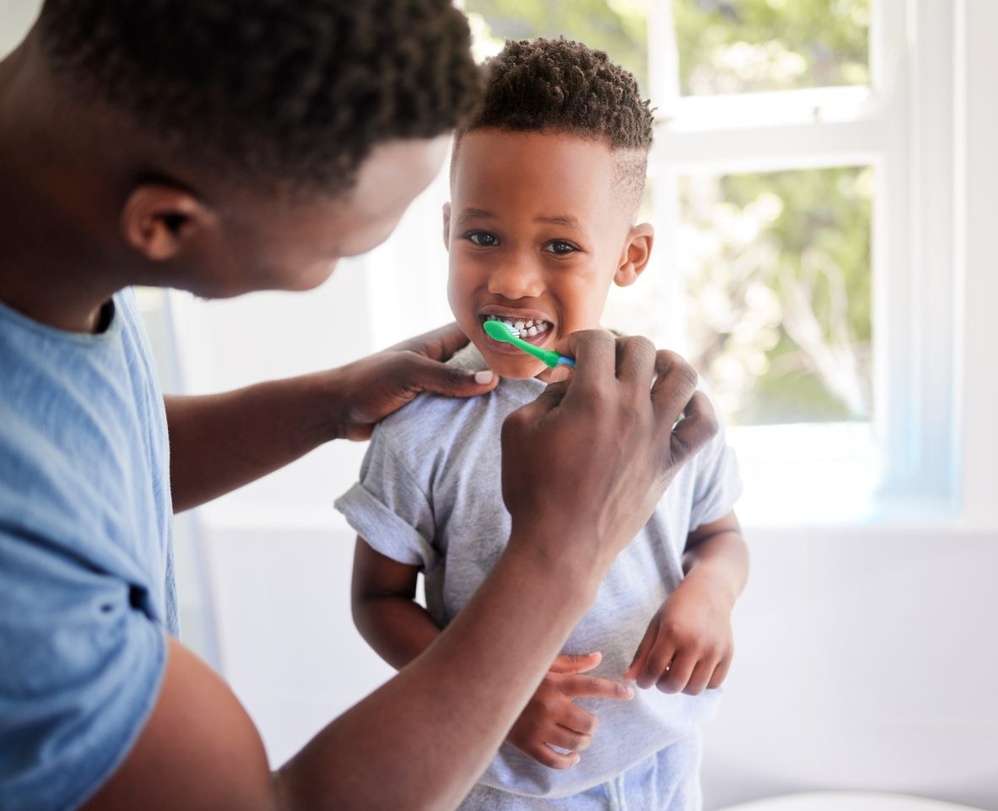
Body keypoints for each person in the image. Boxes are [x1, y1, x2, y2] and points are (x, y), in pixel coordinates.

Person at [0, 3, 721, 810]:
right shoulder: (23, 585)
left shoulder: (47, 237)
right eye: (340, 248)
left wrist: (332, 401)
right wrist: (562, 548)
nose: (508, 281)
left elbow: (92, 449)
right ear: (166, 223)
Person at [336, 38, 750, 810]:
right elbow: (378, 601)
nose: (512, 280)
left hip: (662, 760)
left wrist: (711, 596)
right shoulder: (421, 423)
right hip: (505, 781)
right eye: (482, 236)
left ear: (630, 255)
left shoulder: (667, 404)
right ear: (448, 226)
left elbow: (718, 538)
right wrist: (492, 692)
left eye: (559, 245)